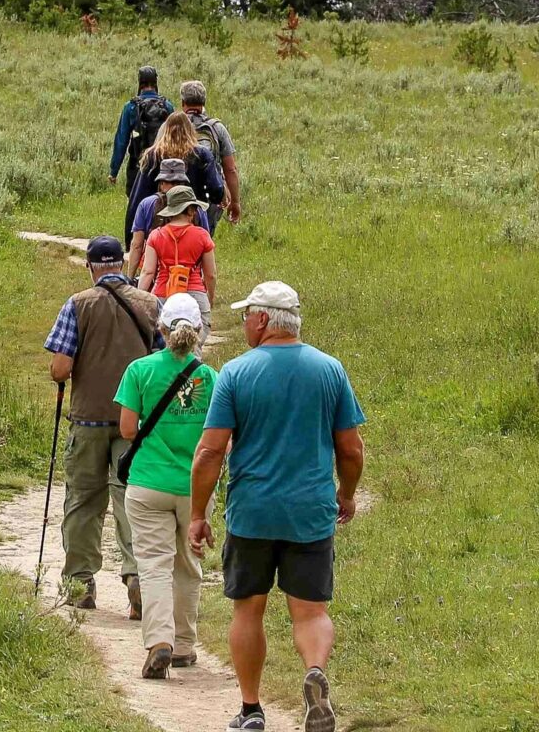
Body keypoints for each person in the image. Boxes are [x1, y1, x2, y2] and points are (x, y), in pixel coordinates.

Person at [189, 281, 366, 732]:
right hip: (310, 510)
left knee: (248, 608)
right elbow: (351, 449)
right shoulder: (330, 370)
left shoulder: (236, 373)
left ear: (264, 319)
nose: (244, 323)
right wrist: (346, 493)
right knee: (311, 611)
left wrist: (198, 514)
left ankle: (251, 709)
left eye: (246, 315)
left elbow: (210, 451)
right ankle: (315, 671)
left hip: (252, 511)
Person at [44, 235, 163, 619]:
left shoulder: (77, 304)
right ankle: (137, 578)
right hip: (135, 423)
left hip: (88, 419)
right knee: (132, 502)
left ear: (90, 267)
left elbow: (61, 369)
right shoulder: (150, 304)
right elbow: (163, 361)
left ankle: (81, 584)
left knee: (83, 501)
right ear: (123, 263)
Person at [115, 294, 218, 679]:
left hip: (148, 483)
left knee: (154, 565)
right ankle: (185, 645)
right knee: (188, 565)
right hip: (195, 487)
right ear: (199, 331)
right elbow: (220, 438)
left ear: (160, 328)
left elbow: (127, 430)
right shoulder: (210, 379)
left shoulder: (139, 370)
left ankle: (160, 640)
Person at [125, 111, 224, 249]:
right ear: (190, 130)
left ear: (165, 130)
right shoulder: (201, 154)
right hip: (191, 218)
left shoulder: (153, 155)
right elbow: (217, 190)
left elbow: (138, 196)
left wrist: (130, 238)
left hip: (157, 221)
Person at [138, 186, 216, 358]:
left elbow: (148, 272)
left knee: (163, 347)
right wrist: (210, 297)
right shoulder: (202, 236)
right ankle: (193, 370)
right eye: (194, 208)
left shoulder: (156, 235)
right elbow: (210, 274)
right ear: (190, 210)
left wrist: (138, 298)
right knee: (194, 346)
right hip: (195, 293)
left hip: (163, 293)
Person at [127, 158, 210, 278]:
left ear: (161, 183)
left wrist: (130, 278)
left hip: (156, 276)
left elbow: (137, 245)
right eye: (172, 182)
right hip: (189, 277)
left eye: (177, 183)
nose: (174, 186)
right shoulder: (197, 208)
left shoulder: (146, 205)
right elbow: (206, 246)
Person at [180, 79, 241, 232]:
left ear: (183, 102)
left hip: (178, 195)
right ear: (204, 102)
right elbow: (230, 169)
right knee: (204, 237)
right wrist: (235, 202)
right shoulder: (217, 128)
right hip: (210, 197)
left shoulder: (173, 127)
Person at [109, 66, 174, 198]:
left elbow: (121, 141)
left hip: (137, 167)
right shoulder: (167, 106)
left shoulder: (131, 107)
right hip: (163, 168)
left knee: (136, 207)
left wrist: (114, 171)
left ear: (140, 83)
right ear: (155, 82)